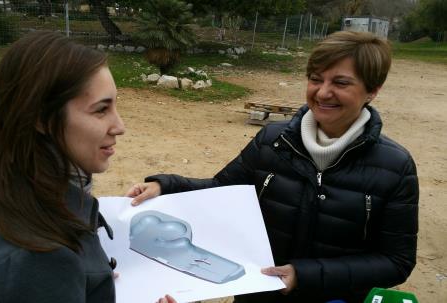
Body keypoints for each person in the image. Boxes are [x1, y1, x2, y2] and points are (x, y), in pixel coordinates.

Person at [127, 31, 419, 303]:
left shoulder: (395, 167)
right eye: (316, 79)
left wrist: (304, 275)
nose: (323, 93)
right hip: (258, 294)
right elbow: (221, 191)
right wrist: (165, 186)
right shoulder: (272, 141)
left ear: (372, 90)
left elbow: (396, 261)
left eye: (340, 83)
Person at [0, 31, 175, 303]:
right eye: (101, 110)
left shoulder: (6, 189)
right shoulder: (40, 258)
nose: (120, 127)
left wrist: (90, 282)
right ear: (42, 118)